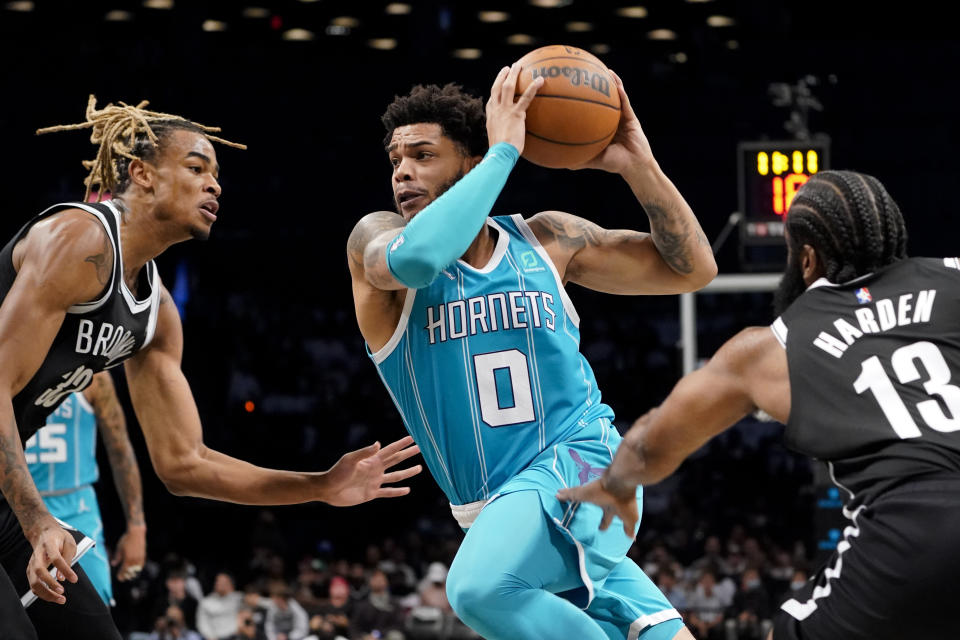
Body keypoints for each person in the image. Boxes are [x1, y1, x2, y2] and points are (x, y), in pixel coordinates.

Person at [0, 95, 422, 639]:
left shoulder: (156, 314)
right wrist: (38, 521)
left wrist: (319, 486)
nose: (215, 185)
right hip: (21, 509)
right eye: (196, 168)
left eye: (217, 174)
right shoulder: (80, 241)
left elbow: (185, 463)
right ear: (142, 175)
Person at [347, 61, 716, 640]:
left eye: (422, 155)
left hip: (581, 461)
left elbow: (693, 268)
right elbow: (419, 260)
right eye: (396, 159)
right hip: (504, 515)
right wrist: (502, 156)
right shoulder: (376, 241)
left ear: (470, 160)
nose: (402, 173)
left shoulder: (546, 240)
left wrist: (638, 165)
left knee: (477, 589)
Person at [558, 170, 960, 639]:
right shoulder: (953, 274)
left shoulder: (773, 347)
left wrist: (618, 486)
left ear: (806, 258)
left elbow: (651, 444)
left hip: (908, 530)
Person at [26, 371, 145, 606]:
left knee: (95, 608)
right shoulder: (8, 359)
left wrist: (137, 527)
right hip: (18, 509)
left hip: (76, 507)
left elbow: (120, 450)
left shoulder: (95, 375)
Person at [197, 572, 244, 640]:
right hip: (215, 637)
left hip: (236, 636)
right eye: (218, 581)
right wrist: (211, 637)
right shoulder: (206, 602)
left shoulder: (238, 598)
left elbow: (254, 605)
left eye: (224, 582)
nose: (219, 584)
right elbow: (202, 624)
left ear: (231, 585)